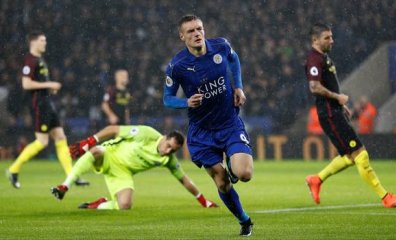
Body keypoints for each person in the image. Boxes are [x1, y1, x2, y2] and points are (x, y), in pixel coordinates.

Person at [163, 15, 254, 236]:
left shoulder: (221, 46)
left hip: (229, 123)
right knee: (222, 183)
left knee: (244, 173)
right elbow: (167, 98)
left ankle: (233, 169)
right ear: (182, 36)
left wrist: (239, 86)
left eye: (199, 29)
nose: (197, 34)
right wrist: (186, 102)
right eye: (191, 31)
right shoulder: (177, 66)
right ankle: (244, 220)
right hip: (202, 132)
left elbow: (234, 59)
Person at [304, 23, 396, 208]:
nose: (332, 40)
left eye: (331, 36)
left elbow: (327, 84)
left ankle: (316, 179)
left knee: (350, 156)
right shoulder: (314, 59)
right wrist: (338, 98)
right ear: (315, 40)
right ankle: (385, 197)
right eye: (327, 37)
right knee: (361, 154)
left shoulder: (323, 58)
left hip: (334, 111)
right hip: (328, 114)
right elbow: (314, 86)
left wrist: (340, 105)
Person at [51, 125, 218, 210]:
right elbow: (113, 129)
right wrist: (90, 140)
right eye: (168, 146)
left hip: (122, 172)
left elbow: (184, 180)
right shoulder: (145, 133)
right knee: (95, 151)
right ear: (165, 137)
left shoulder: (169, 160)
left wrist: (204, 201)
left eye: (172, 150)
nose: (168, 151)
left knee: (124, 206)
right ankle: (65, 185)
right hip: (109, 154)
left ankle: (98, 205)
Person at [6, 31, 88, 188]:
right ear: (34, 42)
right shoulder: (30, 60)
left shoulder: (40, 60)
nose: (45, 43)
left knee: (61, 137)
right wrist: (49, 85)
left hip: (47, 103)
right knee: (42, 142)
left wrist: (49, 89)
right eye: (42, 40)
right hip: (39, 105)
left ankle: (72, 176)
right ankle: (13, 169)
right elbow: (26, 84)